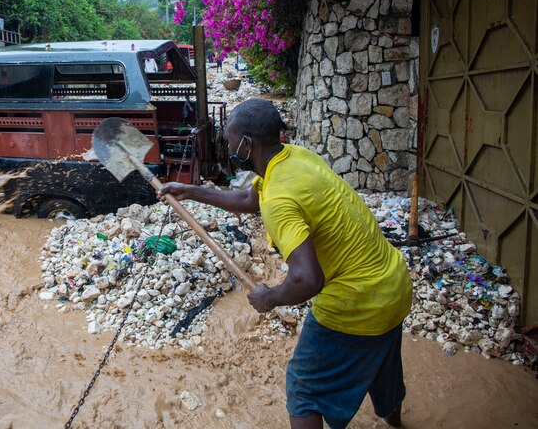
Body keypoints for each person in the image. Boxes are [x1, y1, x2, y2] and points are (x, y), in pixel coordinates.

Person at [158, 98, 412, 429]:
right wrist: (190, 191)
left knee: (303, 389)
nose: (226, 142)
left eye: (230, 137)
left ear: (246, 144)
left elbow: (307, 280)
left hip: (356, 304)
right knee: (382, 365)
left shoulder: (279, 198)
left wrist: (270, 297)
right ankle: (396, 421)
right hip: (393, 287)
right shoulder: (293, 157)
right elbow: (250, 199)